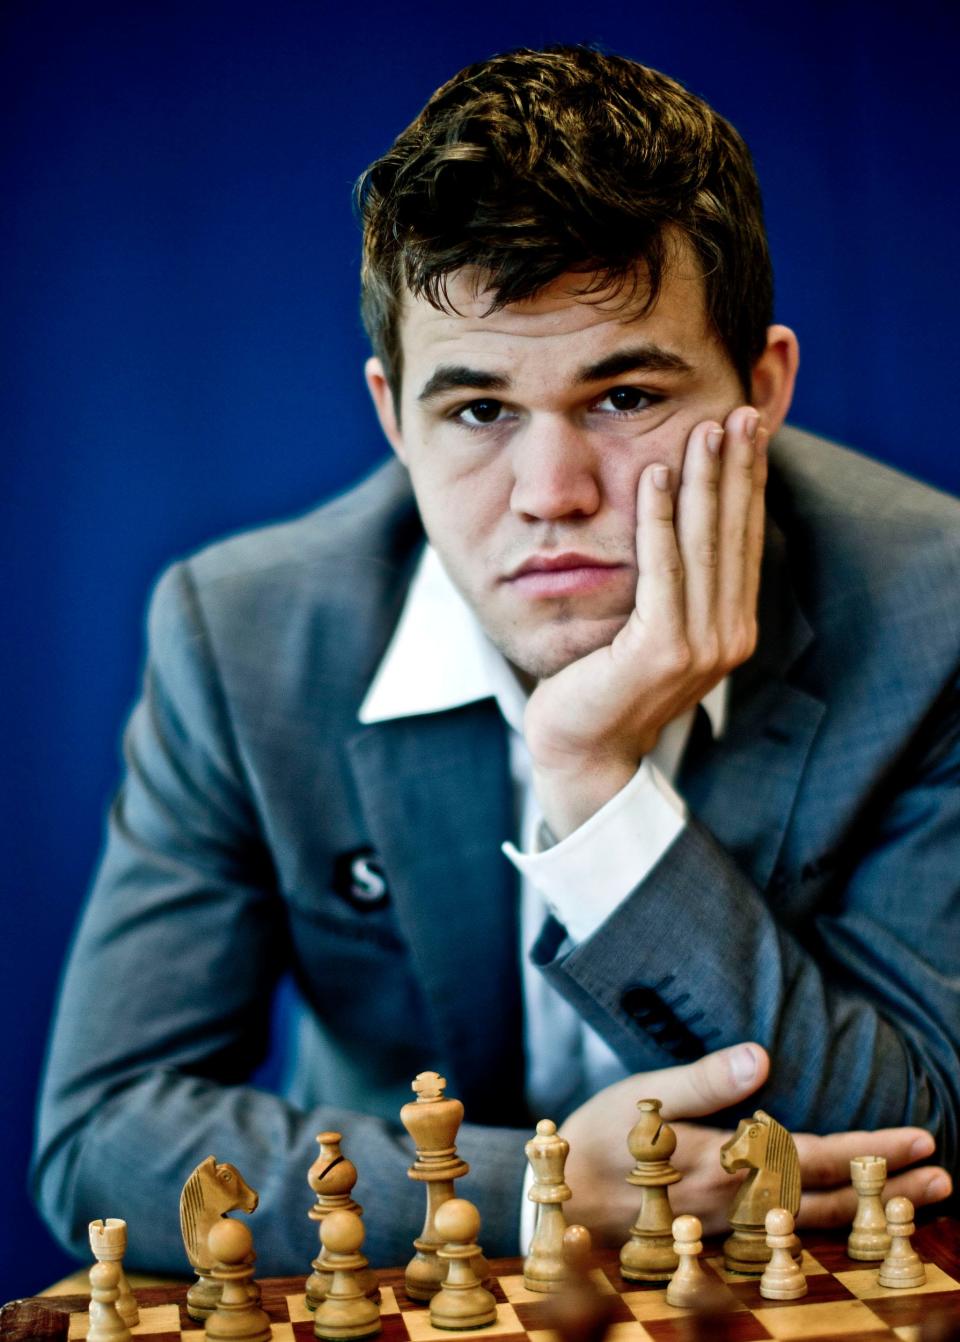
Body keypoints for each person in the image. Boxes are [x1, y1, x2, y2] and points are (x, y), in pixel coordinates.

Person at [33, 46, 958, 1275]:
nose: (551, 495)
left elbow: (919, 1131)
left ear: (765, 387)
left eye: (626, 395)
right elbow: (101, 1134)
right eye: (477, 412)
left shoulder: (932, 613)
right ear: (389, 416)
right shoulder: (241, 636)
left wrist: (593, 784)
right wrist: (541, 1194)